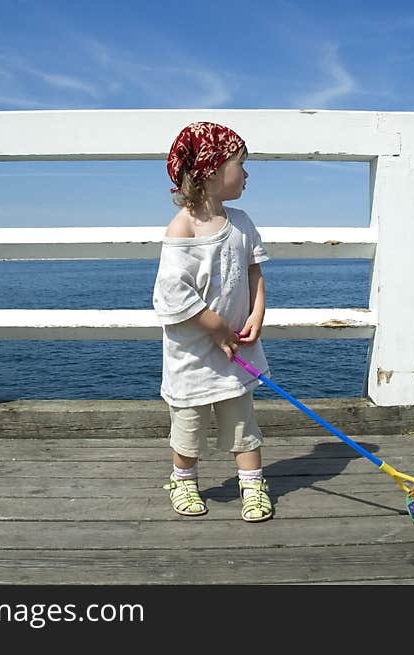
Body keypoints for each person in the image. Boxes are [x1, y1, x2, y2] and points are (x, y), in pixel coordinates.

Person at [152, 121, 273, 522]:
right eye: (240, 163)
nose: (247, 173)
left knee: (243, 424)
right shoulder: (182, 228)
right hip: (194, 353)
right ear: (210, 168)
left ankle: (253, 484)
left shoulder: (241, 222)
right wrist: (216, 326)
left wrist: (256, 314)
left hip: (237, 349)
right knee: (188, 423)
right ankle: (183, 479)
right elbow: (172, 293)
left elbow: (254, 272)